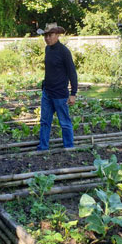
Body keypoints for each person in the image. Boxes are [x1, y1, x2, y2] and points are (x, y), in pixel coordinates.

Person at [36, 23, 78, 151]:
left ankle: (69, 147)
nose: (47, 38)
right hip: (47, 92)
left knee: (64, 123)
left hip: (60, 94)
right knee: (44, 122)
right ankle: (43, 147)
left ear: (57, 35)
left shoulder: (64, 52)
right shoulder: (47, 49)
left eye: (50, 35)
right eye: (45, 36)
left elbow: (72, 72)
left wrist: (73, 93)